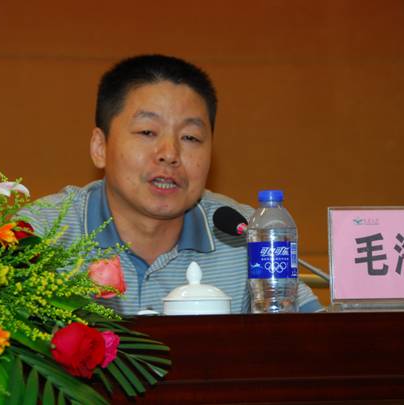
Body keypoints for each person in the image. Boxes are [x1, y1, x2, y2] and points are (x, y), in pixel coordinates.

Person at [24, 54, 322, 315]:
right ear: (100, 147)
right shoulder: (38, 235)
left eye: (190, 137)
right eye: (147, 132)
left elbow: (319, 339)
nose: (169, 154)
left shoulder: (248, 235)